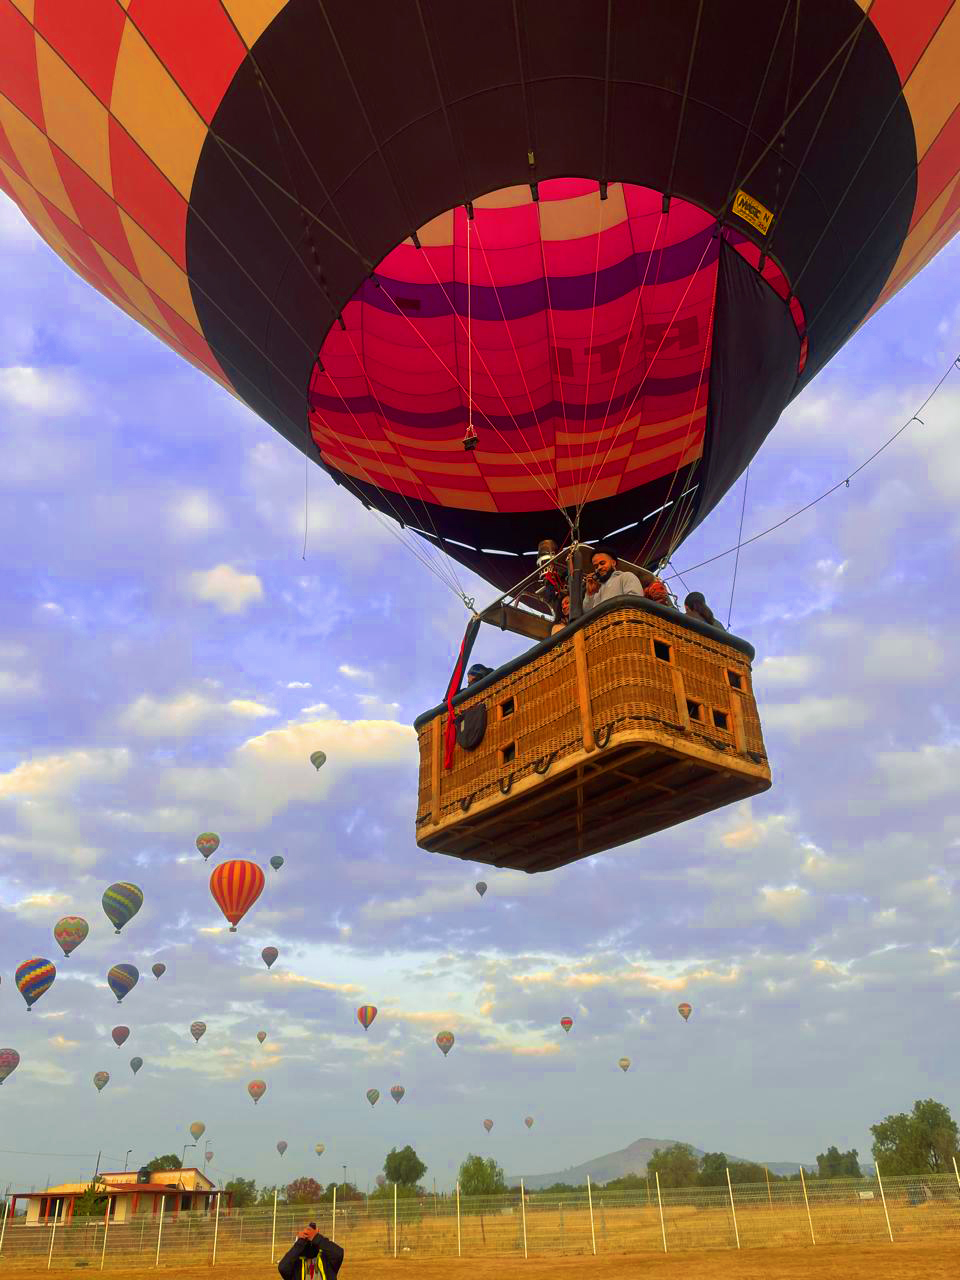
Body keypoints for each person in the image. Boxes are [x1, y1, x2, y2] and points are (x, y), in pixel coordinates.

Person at [582, 546, 645, 611]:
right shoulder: (596, 591)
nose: (599, 568)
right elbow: (587, 613)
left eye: (602, 563)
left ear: (613, 563)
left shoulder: (626, 577)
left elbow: (636, 603)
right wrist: (590, 594)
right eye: (596, 566)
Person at [277, 1223, 343, 1280]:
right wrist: (301, 1242)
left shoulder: (326, 1260)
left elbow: (338, 1253)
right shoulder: (296, 1264)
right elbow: (283, 1268)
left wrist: (316, 1238)